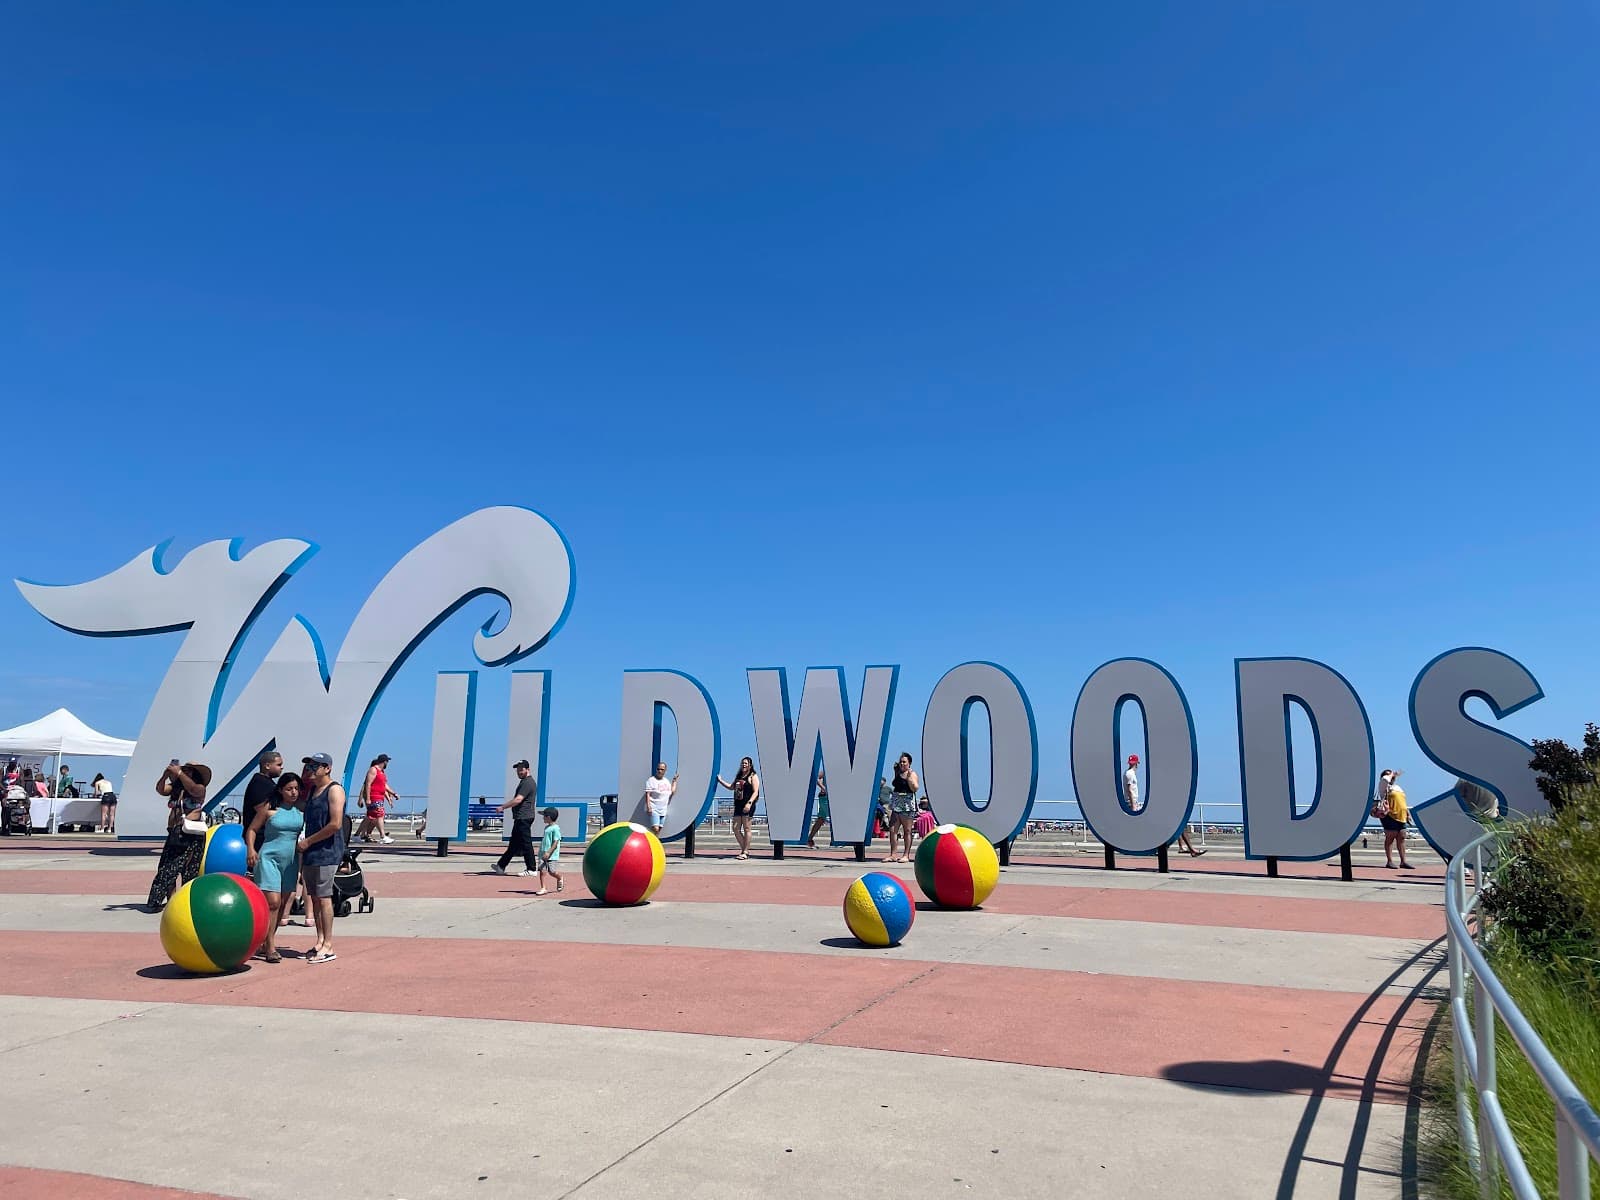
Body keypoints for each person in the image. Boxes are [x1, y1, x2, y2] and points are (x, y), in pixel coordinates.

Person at [245, 771, 305, 962]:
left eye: (296, 789)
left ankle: (266, 941)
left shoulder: (300, 811)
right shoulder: (269, 807)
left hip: (291, 862)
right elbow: (252, 829)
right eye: (289, 789)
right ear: (280, 790)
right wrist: (251, 850)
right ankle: (270, 946)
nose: (293, 792)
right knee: (273, 902)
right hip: (269, 859)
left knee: (282, 905)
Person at [296, 753, 347, 963]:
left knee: (324, 897)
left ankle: (329, 945)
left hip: (326, 851)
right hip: (311, 852)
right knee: (315, 897)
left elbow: (335, 824)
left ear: (327, 768)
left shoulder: (334, 790)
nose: (311, 770)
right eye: (309, 766)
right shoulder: (312, 791)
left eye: (315, 766)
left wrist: (309, 841)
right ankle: (320, 940)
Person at [146, 761, 212, 911]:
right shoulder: (177, 789)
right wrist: (166, 775)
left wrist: (180, 773)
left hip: (191, 834)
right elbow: (161, 789)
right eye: (184, 769)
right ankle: (170, 900)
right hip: (175, 832)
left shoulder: (199, 788)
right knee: (167, 868)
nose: (185, 772)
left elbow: (194, 790)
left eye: (189, 771)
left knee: (189, 869)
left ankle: (186, 901)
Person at [492, 758, 539, 875]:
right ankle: (501, 866)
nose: (519, 772)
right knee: (513, 844)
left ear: (527, 769)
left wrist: (503, 807)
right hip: (520, 817)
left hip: (524, 817)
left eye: (521, 769)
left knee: (526, 843)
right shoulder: (525, 782)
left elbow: (518, 799)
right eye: (517, 770)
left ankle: (532, 869)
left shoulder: (528, 783)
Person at [716, 757, 760, 860]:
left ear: (750, 765)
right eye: (742, 763)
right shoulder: (739, 776)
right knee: (735, 828)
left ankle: (745, 852)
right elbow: (731, 787)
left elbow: (756, 792)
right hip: (738, 805)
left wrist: (749, 803)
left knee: (747, 828)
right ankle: (745, 849)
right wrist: (720, 781)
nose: (744, 765)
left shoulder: (753, 776)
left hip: (747, 805)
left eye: (746, 763)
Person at [355, 754, 398, 844]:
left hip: (380, 797)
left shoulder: (381, 772)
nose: (387, 764)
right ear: (385, 762)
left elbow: (384, 785)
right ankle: (383, 836)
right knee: (380, 814)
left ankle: (356, 835)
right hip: (374, 797)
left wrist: (393, 793)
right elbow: (368, 784)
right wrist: (368, 798)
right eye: (387, 762)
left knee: (370, 817)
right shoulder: (373, 770)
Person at [1375, 768, 1413, 869]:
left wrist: (1407, 814)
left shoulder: (1397, 787)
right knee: (1390, 838)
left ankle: (1403, 861)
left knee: (1402, 837)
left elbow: (1403, 802)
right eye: (1389, 775)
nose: (1392, 777)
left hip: (1401, 815)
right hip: (1389, 815)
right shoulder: (1383, 785)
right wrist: (1393, 774)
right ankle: (1390, 861)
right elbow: (1385, 779)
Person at [241, 750, 283, 836]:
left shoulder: (267, 783)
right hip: (259, 836)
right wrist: (285, 814)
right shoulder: (260, 783)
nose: (282, 768)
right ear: (267, 766)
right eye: (278, 765)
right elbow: (262, 812)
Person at [888, 752, 919, 863]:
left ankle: (906, 855)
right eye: (901, 762)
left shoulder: (912, 774)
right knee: (893, 829)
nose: (902, 764)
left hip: (907, 804)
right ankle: (893, 854)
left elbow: (915, 788)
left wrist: (909, 778)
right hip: (896, 803)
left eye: (904, 762)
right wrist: (895, 771)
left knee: (907, 830)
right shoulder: (897, 772)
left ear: (909, 763)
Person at [534, 808, 564, 895]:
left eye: (544, 816)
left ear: (549, 817)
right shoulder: (547, 827)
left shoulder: (555, 828)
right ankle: (543, 888)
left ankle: (559, 877)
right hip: (542, 853)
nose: (543, 818)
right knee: (542, 871)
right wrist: (542, 852)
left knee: (552, 871)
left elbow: (556, 842)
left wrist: (549, 852)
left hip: (552, 855)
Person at [643, 763, 677, 835]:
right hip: (654, 808)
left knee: (658, 830)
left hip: (663, 809)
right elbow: (647, 794)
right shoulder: (651, 780)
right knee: (656, 828)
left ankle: (655, 840)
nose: (660, 771)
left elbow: (672, 792)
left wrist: (674, 781)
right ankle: (654, 840)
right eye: (658, 769)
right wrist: (649, 807)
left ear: (665, 771)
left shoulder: (666, 781)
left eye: (662, 769)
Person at [807, 772, 830, 848]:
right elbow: (816, 776)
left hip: (824, 796)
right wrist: (823, 787)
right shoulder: (826, 771)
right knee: (825, 818)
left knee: (821, 819)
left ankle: (809, 839)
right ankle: (838, 840)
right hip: (825, 797)